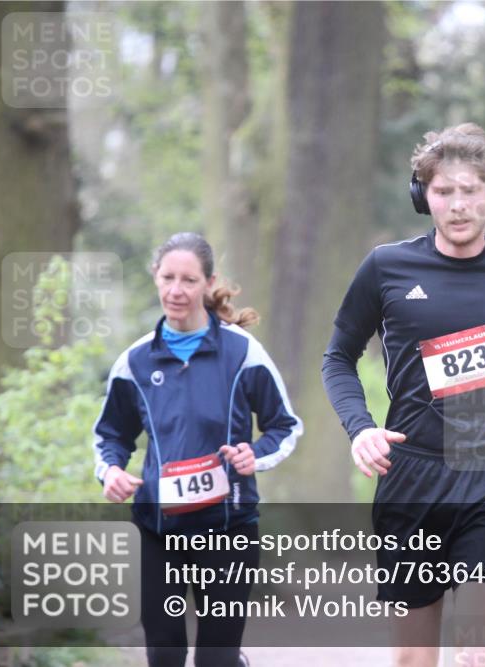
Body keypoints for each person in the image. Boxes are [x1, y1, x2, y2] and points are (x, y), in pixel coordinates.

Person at [322, 123, 485, 667]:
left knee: (475, 654)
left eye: (471, 190)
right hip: (411, 479)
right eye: (444, 191)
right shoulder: (386, 268)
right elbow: (338, 358)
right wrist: (361, 427)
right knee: (414, 662)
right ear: (424, 196)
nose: (459, 204)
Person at [93, 232, 302, 667]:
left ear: (208, 284)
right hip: (157, 531)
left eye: (189, 280)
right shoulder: (134, 362)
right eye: (168, 277)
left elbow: (284, 426)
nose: (176, 290)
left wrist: (255, 455)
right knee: (165, 655)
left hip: (229, 529)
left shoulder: (243, 353)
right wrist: (111, 471)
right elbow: (111, 435)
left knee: (216, 660)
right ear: (155, 278)